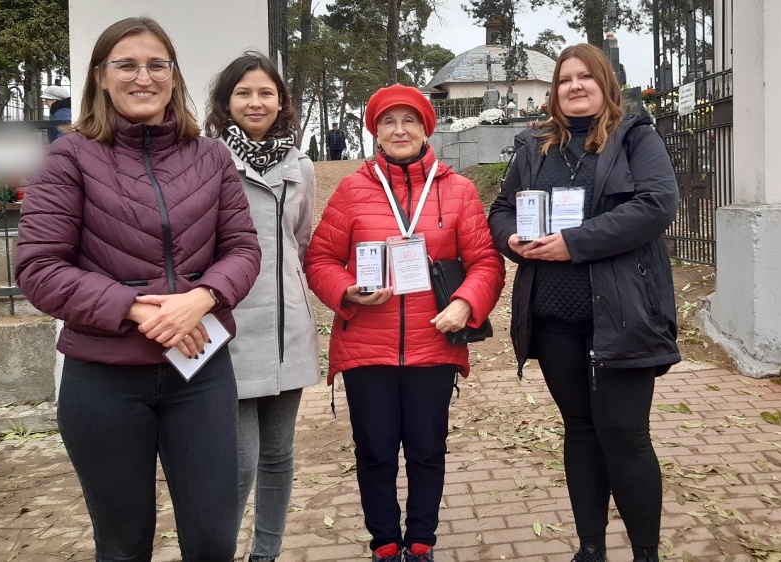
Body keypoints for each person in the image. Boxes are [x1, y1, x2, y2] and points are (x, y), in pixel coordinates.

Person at [14, 17, 261, 562]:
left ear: (174, 78)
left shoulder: (211, 157)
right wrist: (134, 309)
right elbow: (39, 267)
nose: (142, 76)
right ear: (101, 76)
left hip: (199, 376)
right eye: (126, 64)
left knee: (214, 541)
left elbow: (243, 250)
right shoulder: (69, 158)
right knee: (123, 545)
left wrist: (201, 298)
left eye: (156, 65)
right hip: (104, 381)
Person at [487, 44, 680, 562]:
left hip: (620, 315)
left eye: (584, 78)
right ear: (555, 91)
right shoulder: (535, 147)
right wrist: (511, 239)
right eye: (564, 79)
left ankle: (645, 554)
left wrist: (576, 242)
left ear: (604, 84)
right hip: (553, 318)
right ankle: (590, 548)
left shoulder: (635, 139)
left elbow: (657, 205)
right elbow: (502, 208)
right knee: (580, 430)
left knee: (626, 435)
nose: (574, 86)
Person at [304, 84, 505, 562]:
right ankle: (385, 545)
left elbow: (486, 263)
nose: (399, 129)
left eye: (409, 120)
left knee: (426, 451)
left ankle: (420, 542)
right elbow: (319, 259)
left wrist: (464, 304)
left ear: (425, 128)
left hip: (432, 344)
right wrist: (345, 290)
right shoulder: (354, 190)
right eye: (388, 121)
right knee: (374, 453)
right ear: (375, 131)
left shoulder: (457, 190)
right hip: (365, 347)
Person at [204, 52, 320, 562]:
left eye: (266, 92)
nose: (256, 102)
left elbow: (300, 238)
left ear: (281, 102)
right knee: (240, 462)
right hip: (230, 330)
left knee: (279, 456)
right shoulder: (206, 162)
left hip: (289, 327)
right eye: (244, 92)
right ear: (227, 102)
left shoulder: (302, 165)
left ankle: (265, 554)